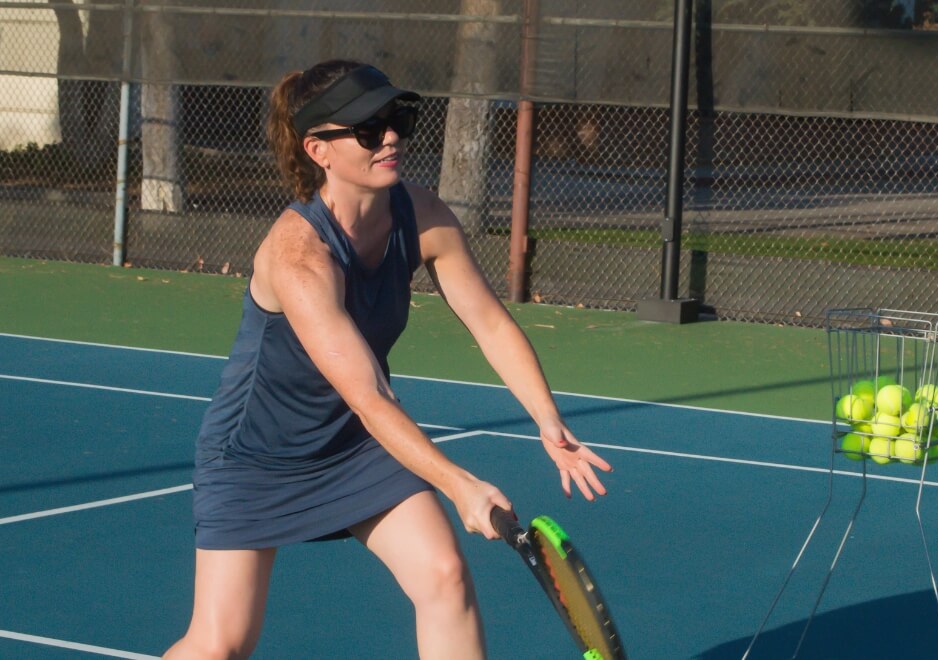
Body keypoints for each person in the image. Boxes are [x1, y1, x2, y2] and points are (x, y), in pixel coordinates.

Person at [164, 60, 613, 659]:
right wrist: (460, 485)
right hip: (256, 457)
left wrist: (546, 419)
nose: (392, 137)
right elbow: (369, 396)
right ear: (319, 149)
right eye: (369, 129)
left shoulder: (422, 215)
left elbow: (489, 322)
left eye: (397, 119)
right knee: (219, 645)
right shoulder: (298, 256)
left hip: (353, 448)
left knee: (445, 576)